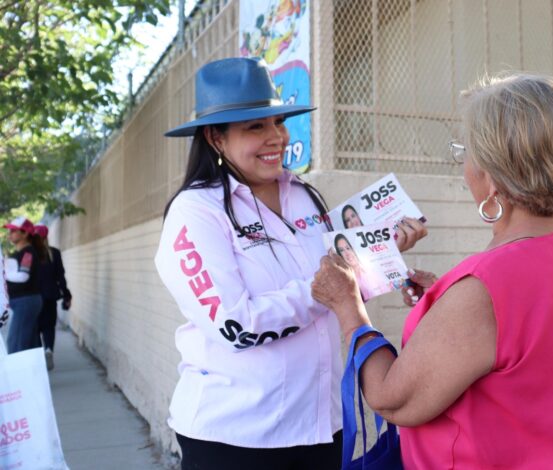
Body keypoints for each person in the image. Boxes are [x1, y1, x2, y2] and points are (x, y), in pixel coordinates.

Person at [312, 74, 553, 469]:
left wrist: (348, 307)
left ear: (492, 175)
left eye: (467, 152)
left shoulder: (485, 288)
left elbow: (392, 398)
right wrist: (446, 300)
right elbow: (527, 343)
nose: (465, 166)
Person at [155, 57, 425, 469]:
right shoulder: (195, 212)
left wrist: (386, 259)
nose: (276, 137)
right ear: (215, 138)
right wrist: (330, 287)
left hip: (322, 425)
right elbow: (237, 325)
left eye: (278, 122)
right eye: (255, 127)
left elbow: (339, 287)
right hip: (235, 437)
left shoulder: (302, 194)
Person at [3, 217, 44, 354]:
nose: (10, 234)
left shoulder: (28, 253)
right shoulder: (23, 253)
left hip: (25, 302)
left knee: (16, 344)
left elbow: (23, 276)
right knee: (28, 345)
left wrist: (3, 273)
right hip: (24, 302)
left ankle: (18, 375)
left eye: (13, 231)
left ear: (25, 233)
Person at [33, 224, 72, 370]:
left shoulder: (29, 254)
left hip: (34, 298)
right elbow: (60, 277)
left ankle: (38, 358)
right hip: (50, 296)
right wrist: (66, 294)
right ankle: (48, 350)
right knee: (49, 327)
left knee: (35, 329)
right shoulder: (54, 253)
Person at [333, 233, 380, 301]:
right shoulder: (345, 282)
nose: (347, 253)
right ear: (340, 255)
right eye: (342, 250)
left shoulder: (371, 270)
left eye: (348, 248)